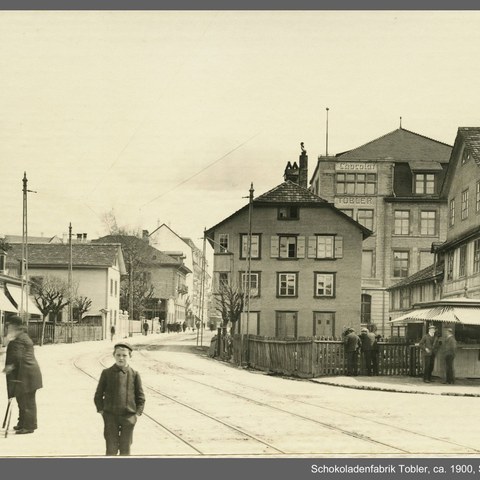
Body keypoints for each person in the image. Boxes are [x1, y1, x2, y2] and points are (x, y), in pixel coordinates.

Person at [94, 342, 146, 456]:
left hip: (128, 417)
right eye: (118, 355)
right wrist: (102, 410)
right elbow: (98, 394)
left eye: (124, 355)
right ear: (114, 356)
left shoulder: (135, 374)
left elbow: (140, 397)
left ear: (130, 356)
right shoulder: (106, 373)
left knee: (125, 448)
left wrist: (136, 414)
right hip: (110, 416)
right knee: (111, 448)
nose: (121, 358)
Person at [2, 315, 43, 435]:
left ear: (15, 326)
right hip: (25, 374)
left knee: (27, 402)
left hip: (26, 375)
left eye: (9, 325)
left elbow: (17, 356)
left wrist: (9, 367)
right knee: (22, 400)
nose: (7, 328)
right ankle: (22, 423)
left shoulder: (19, 338)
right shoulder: (21, 336)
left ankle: (29, 426)